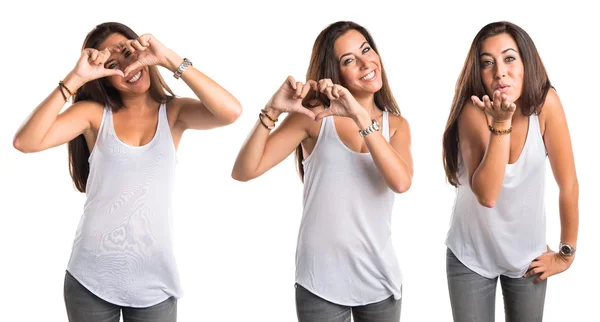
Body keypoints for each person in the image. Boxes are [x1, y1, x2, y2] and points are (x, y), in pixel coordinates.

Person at [12, 22, 242, 322]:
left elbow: (231, 111)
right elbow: (25, 142)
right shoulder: (94, 115)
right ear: (104, 77)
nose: (128, 68)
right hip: (90, 278)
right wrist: (75, 78)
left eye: (129, 53)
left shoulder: (174, 113)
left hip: (154, 281)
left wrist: (169, 58)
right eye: (113, 65)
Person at [232, 21, 413, 322]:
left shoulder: (396, 125)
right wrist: (272, 111)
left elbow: (401, 182)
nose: (366, 62)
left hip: (380, 278)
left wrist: (358, 114)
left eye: (366, 50)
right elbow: (244, 171)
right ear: (335, 72)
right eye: (349, 60)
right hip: (320, 281)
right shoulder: (314, 119)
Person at [442, 21, 579, 322]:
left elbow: (567, 183)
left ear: (525, 62)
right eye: (487, 63)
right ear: (478, 73)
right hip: (471, 254)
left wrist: (565, 254)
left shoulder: (546, 105)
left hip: (527, 255)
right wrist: (501, 123)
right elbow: (488, 195)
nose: (499, 72)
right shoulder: (472, 112)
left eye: (509, 58)